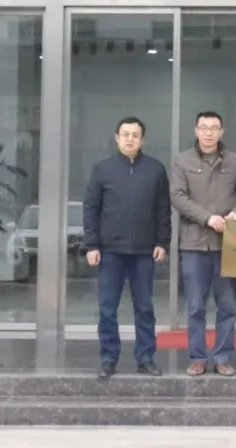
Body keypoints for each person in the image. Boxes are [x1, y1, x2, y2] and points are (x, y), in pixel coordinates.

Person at [83, 116, 171, 379]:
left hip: (144, 252)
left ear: (142, 140)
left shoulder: (156, 169)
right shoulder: (102, 169)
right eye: (125, 134)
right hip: (110, 251)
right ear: (116, 138)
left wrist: (162, 242)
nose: (130, 139)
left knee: (144, 308)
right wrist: (92, 244)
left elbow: (163, 210)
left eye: (135, 135)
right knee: (107, 309)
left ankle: (145, 358)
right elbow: (91, 208)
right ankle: (108, 358)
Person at [170, 111, 236, 377]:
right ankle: (197, 357)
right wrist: (207, 218)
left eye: (214, 128)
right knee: (195, 306)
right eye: (204, 127)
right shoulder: (182, 161)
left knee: (227, 305)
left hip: (227, 245)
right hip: (194, 244)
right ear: (196, 130)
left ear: (222, 132)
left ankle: (222, 357)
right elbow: (178, 196)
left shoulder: (233, 161)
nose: (209, 133)